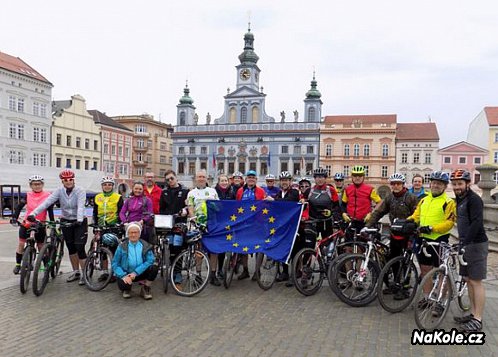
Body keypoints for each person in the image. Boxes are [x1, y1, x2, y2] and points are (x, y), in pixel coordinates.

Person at [407, 171, 456, 317]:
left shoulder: (449, 202)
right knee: (425, 270)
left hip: (439, 240)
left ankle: (440, 301)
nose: (435, 185)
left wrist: (433, 228)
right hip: (423, 239)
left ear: (444, 186)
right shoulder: (424, 200)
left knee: (442, 272)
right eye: (434, 183)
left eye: (439, 184)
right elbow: (416, 216)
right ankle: (428, 298)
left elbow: (449, 222)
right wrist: (407, 221)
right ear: (430, 184)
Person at [28, 169, 88, 285]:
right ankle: (76, 272)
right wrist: (33, 214)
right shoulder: (59, 191)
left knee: (80, 247)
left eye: (70, 179)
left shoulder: (80, 190)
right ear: (62, 181)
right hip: (66, 220)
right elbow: (46, 202)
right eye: (65, 180)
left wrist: (79, 220)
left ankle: (84, 274)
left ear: (73, 180)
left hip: (79, 221)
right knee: (71, 248)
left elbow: (81, 206)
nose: (68, 182)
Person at [366, 173, 418, 299]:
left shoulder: (410, 197)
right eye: (393, 184)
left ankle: (405, 289)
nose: (395, 186)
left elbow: (417, 214)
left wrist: (413, 227)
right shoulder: (390, 198)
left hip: (408, 235)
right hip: (394, 233)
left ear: (403, 184)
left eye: (398, 184)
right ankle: (396, 284)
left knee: (406, 262)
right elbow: (379, 212)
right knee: (393, 260)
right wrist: (368, 225)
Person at [450, 169, 488, 332]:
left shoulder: (474, 200)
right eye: (454, 184)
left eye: (460, 184)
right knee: (467, 279)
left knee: (476, 281)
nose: (457, 187)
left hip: (476, 244)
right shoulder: (460, 199)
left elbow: (477, 223)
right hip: (465, 244)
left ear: (467, 183)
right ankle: (472, 314)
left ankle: (478, 319)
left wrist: (464, 242)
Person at [11, 175, 54, 274]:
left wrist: (51, 222)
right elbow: (19, 207)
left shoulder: (48, 195)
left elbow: (50, 210)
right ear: (31, 185)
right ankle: (18, 265)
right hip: (28, 222)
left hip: (40, 223)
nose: (37, 186)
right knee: (21, 244)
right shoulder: (28, 195)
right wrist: (14, 217)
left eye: (39, 184)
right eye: (34, 184)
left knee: (40, 246)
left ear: (42, 185)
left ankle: (46, 266)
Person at [187, 169, 221, 286]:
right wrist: (195, 221)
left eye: (203, 177)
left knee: (214, 251)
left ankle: (213, 274)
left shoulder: (212, 191)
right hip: (197, 225)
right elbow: (190, 208)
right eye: (199, 177)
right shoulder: (191, 193)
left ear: (206, 178)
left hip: (212, 224)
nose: (201, 179)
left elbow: (218, 207)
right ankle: (198, 275)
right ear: (195, 179)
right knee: (198, 252)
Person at [112, 222, 157, 299]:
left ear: (139, 234)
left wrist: (136, 272)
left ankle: (145, 288)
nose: (133, 235)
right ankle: (126, 289)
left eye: (135, 232)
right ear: (127, 234)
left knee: (154, 268)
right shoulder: (121, 246)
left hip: (140, 273)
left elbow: (150, 260)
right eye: (131, 233)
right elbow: (115, 264)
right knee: (124, 285)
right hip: (126, 273)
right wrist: (123, 275)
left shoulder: (146, 245)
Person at [236, 170, 267, 280]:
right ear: (246, 179)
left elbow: (265, 206)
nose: (251, 179)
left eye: (253, 177)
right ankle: (245, 270)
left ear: (256, 180)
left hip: (257, 223)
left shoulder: (261, 191)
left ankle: (257, 271)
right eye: (249, 177)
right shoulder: (240, 191)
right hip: (243, 223)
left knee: (259, 247)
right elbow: (236, 205)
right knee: (243, 247)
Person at [92, 176, 124, 282]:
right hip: (101, 226)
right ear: (102, 186)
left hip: (113, 226)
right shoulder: (97, 197)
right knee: (102, 250)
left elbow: (121, 212)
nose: (107, 186)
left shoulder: (118, 197)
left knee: (114, 250)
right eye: (105, 184)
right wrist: (95, 225)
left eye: (109, 184)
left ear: (113, 186)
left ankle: (115, 272)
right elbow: (95, 212)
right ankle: (105, 272)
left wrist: (119, 224)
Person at [274, 171, 300, 283]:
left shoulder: (294, 192)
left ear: (290, 181)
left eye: (286, 180)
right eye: (283, 180)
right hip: (282, 225)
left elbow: (289, 202)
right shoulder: (279, 194)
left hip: (292, 225)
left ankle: (294, 273)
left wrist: (274, 201)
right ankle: (284, 272)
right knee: (283, 249)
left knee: (293, 250)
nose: (284, 182)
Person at [341, 165, 382, 235]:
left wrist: (371, 213)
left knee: (363, 244)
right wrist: (343, 213)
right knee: (348, 244)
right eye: (355, 175)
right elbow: (343, 204)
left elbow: (379, 202)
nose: (357, 178)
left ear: (363, 177)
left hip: (364, 221)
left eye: (360, 176)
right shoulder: (347, 189)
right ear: (352, 177)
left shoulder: (370, 189)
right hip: (351, 221)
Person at [214, 174, 236, 279]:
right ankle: (215, 270)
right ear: (218, 182)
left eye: (226, 181)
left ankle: (222, 268)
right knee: (217, 248)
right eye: (222, 181)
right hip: (217, 223)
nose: (224, 182)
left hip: (228, 222)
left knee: (225, 246)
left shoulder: (232, 192)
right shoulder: (214, 192)